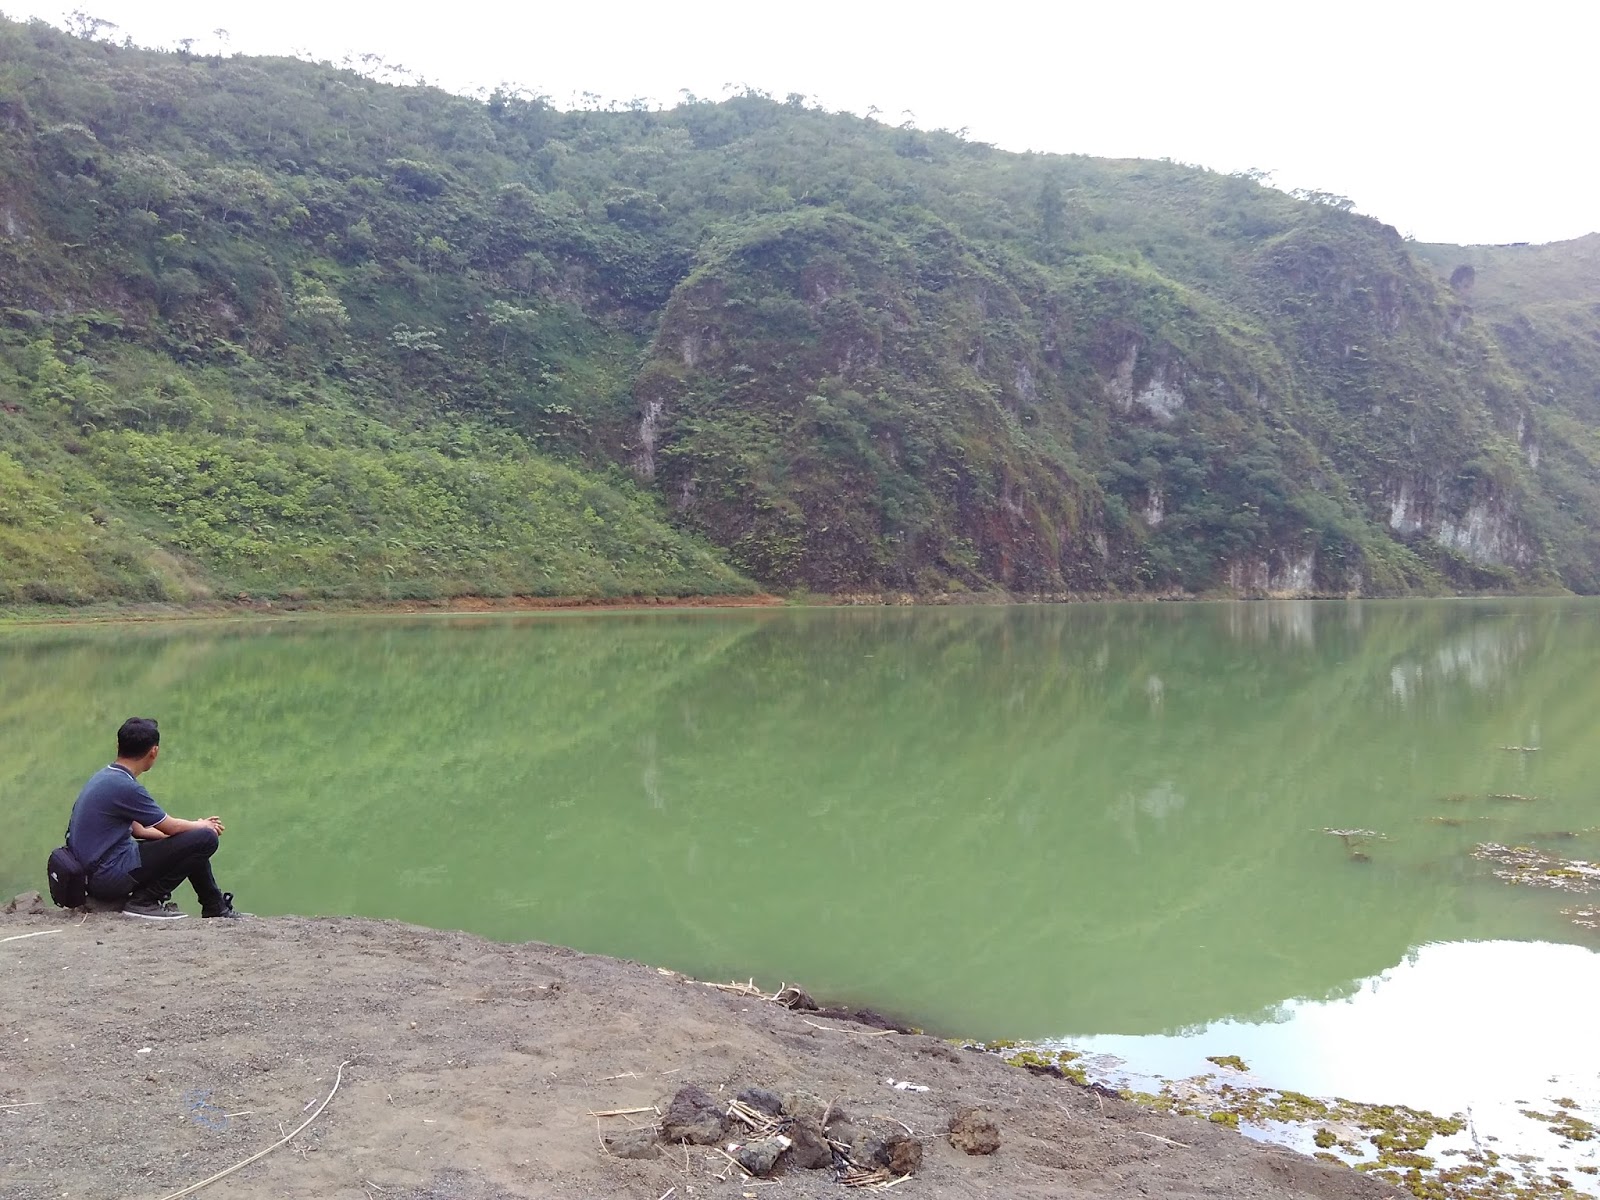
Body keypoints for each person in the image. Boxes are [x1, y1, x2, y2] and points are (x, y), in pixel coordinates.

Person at [66, 717, 243, 920]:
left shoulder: (107, 777)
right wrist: (201, 826)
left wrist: (189, 835)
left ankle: (215, 906)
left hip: (97, 873)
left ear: (118, 745)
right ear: (154, 751)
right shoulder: (125, 787)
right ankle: (145, 901)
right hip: (108, 875)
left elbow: (141, 830)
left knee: (193, 840)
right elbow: (170, 827)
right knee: (205, 839)